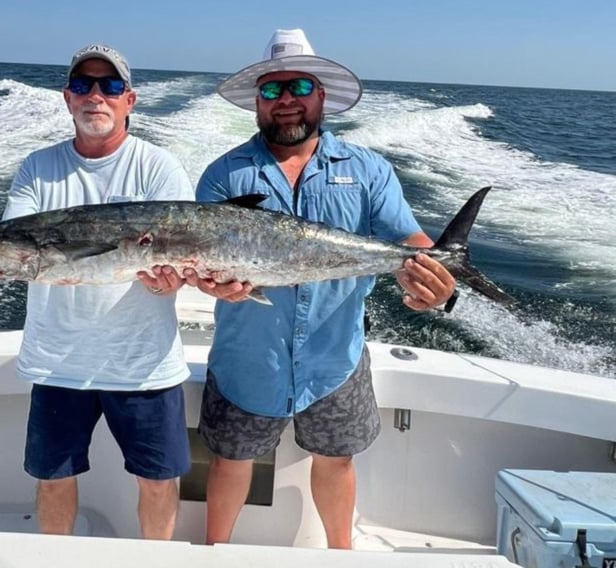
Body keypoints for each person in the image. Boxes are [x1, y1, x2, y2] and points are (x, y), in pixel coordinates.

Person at [184, 28, 457, 549]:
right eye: (271, 91)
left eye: (298, 87)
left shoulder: (368, 170)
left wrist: (437, 278)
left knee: (336, 462)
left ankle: (342, 556)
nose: (285, 101)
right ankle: (213, 554)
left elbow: (409, 240)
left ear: (321, 95)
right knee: (231, 460)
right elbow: (205, 258)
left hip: (337, 359)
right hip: (248, 358)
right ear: (257, 104)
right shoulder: (223, 175)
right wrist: (213, 284)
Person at [0, 43, 194, 539]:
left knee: (159, 482)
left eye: (110, 86)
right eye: (83, 85)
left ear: (130, 100)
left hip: (143, 361)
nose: (95, 95)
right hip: (58, 360)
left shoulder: (159, 166)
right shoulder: (38, 167)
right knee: (54, 480)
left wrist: (175, 279)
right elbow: (15, 244)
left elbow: (186, 252)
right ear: (67, 98)